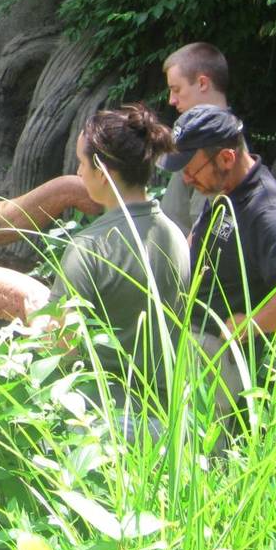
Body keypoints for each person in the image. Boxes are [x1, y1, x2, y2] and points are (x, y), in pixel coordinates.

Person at [159, 105, 276, 421]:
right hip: (191, 346)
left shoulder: (266, 211)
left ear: (227, 158)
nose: (187, 180)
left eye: (191, 169)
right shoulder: (226, 189)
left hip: (224, 368)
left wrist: (247, 325)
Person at [60, 104, 189, 392]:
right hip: (167, 414)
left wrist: (37, 320)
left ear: (104, 173)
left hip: (100, 417)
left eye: (82, 162)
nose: (79, 172)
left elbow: (60, 344)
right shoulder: (176, 236)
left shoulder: (88, 247)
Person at [160, 42, 230, 231]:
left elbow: (204, 231)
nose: (171, 100)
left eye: (176, 89)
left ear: (202, 83)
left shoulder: (219, 146)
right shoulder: (193, 139)